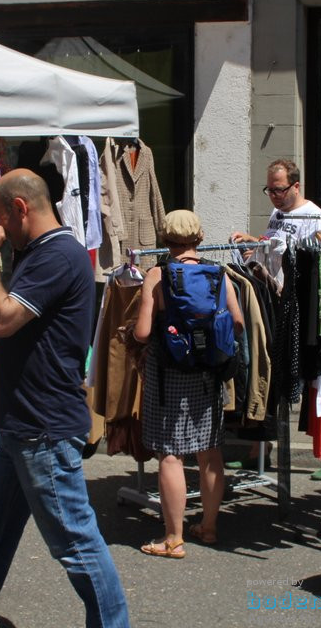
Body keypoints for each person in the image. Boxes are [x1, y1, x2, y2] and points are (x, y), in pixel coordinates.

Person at [0, 169, 130, 628]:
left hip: (43, 426)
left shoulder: (56, 255)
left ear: (21, 208)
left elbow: (1, 319)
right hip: (24, 424)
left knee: (77, 544)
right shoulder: (40, 252)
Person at [228, 159, 321, 480]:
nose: (274, 195)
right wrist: (254, 245)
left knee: (317, 377)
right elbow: (275, 250)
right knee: (270, 374)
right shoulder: (277, 214)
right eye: (269, 189)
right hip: (277, 303)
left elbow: (317, 259)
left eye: (279, 189)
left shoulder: (315, 216)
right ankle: (261, 448)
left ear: (296, 186)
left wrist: (275, 248)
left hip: (305, 309)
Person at [134, 210, 244, 557]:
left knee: (170, 455)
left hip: (168, 374)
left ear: (165, 241)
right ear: (199, 238)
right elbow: (238, 323)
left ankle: (173, 538)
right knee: (210, 453)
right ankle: (208, 528)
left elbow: (141, 332)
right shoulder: (217, 274)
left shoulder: (157, 274)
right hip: (208, 374)